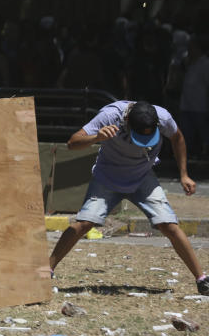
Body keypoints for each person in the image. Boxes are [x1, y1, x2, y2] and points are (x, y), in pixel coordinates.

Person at [48, 100, 209, 296]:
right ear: (128, 123)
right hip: (107, 177)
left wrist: (184, 173)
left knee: (169, 225)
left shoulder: (163, 116)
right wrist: (95, 137)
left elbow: (177, 137)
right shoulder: (110, 116)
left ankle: (202, 279)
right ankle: (45, 271)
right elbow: (72, 143)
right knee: (83, 223)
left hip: (142, 176)